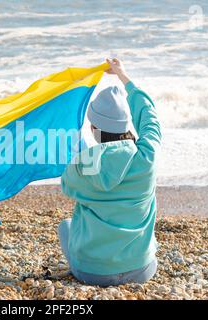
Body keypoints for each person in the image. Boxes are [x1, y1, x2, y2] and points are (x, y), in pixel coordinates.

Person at [58, 58, 161, 287]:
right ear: (126, 124)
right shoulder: (146, 156)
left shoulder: (85, 162)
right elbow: (149, 116)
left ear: (94, 128)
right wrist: (123, 76)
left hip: (92, 273)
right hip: (141, 269)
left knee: (65, 225)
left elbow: (66, 185)